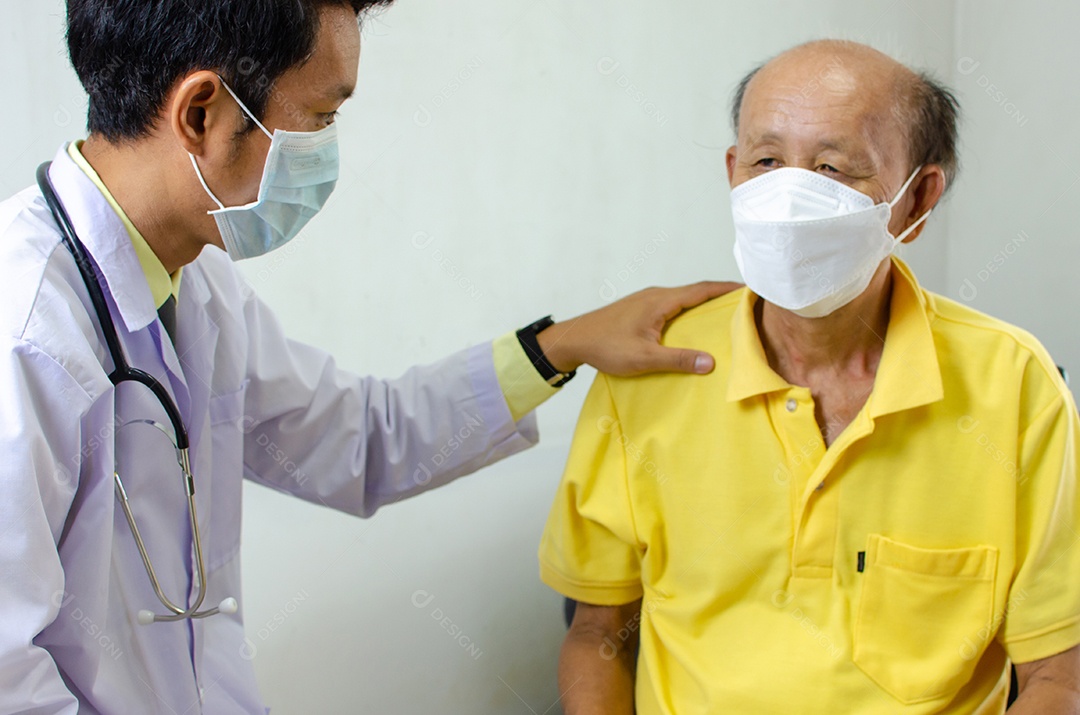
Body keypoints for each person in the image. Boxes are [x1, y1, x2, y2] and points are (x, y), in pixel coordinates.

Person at [0, 1, 740, 711]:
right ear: (202, 112)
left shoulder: (199, 284)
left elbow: (355, 438)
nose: (326, 150)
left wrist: (560, 344)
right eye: (321, 117)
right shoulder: (27, 332)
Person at [540, 40, 1080, 714]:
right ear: (733, 172)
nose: (790, 194)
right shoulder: (649, 368)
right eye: (767, 162)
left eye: (833, 167)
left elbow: (1058, 675)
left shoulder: (1014, 387)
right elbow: (598, 634)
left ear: (917, 201)